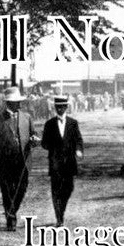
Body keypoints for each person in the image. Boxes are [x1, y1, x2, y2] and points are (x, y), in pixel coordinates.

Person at [0, 86, 36, 230]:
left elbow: (34, 133)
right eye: (15, 102)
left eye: (19, 101)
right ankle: (11, 218)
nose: (19, 104)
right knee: (7, 190)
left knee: (22, 188)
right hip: (5, 161)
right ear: (8, 103)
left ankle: (11, 211)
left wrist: (34, 139)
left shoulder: (27, 117)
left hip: (23, 159)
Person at [40, 95, 83, 226]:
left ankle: (62, 209)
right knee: (56, 190)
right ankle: (59, 217)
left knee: (69, 188)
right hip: (55, 163)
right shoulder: (49, 124)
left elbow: (78, 140)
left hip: (69, 162)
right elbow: (44, 143)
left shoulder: (73, 123)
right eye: (58, 107)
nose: (60, 109)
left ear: (66, 107)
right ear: (54, 108)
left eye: (63, 107)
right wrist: (51, 147)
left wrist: (79, 150)